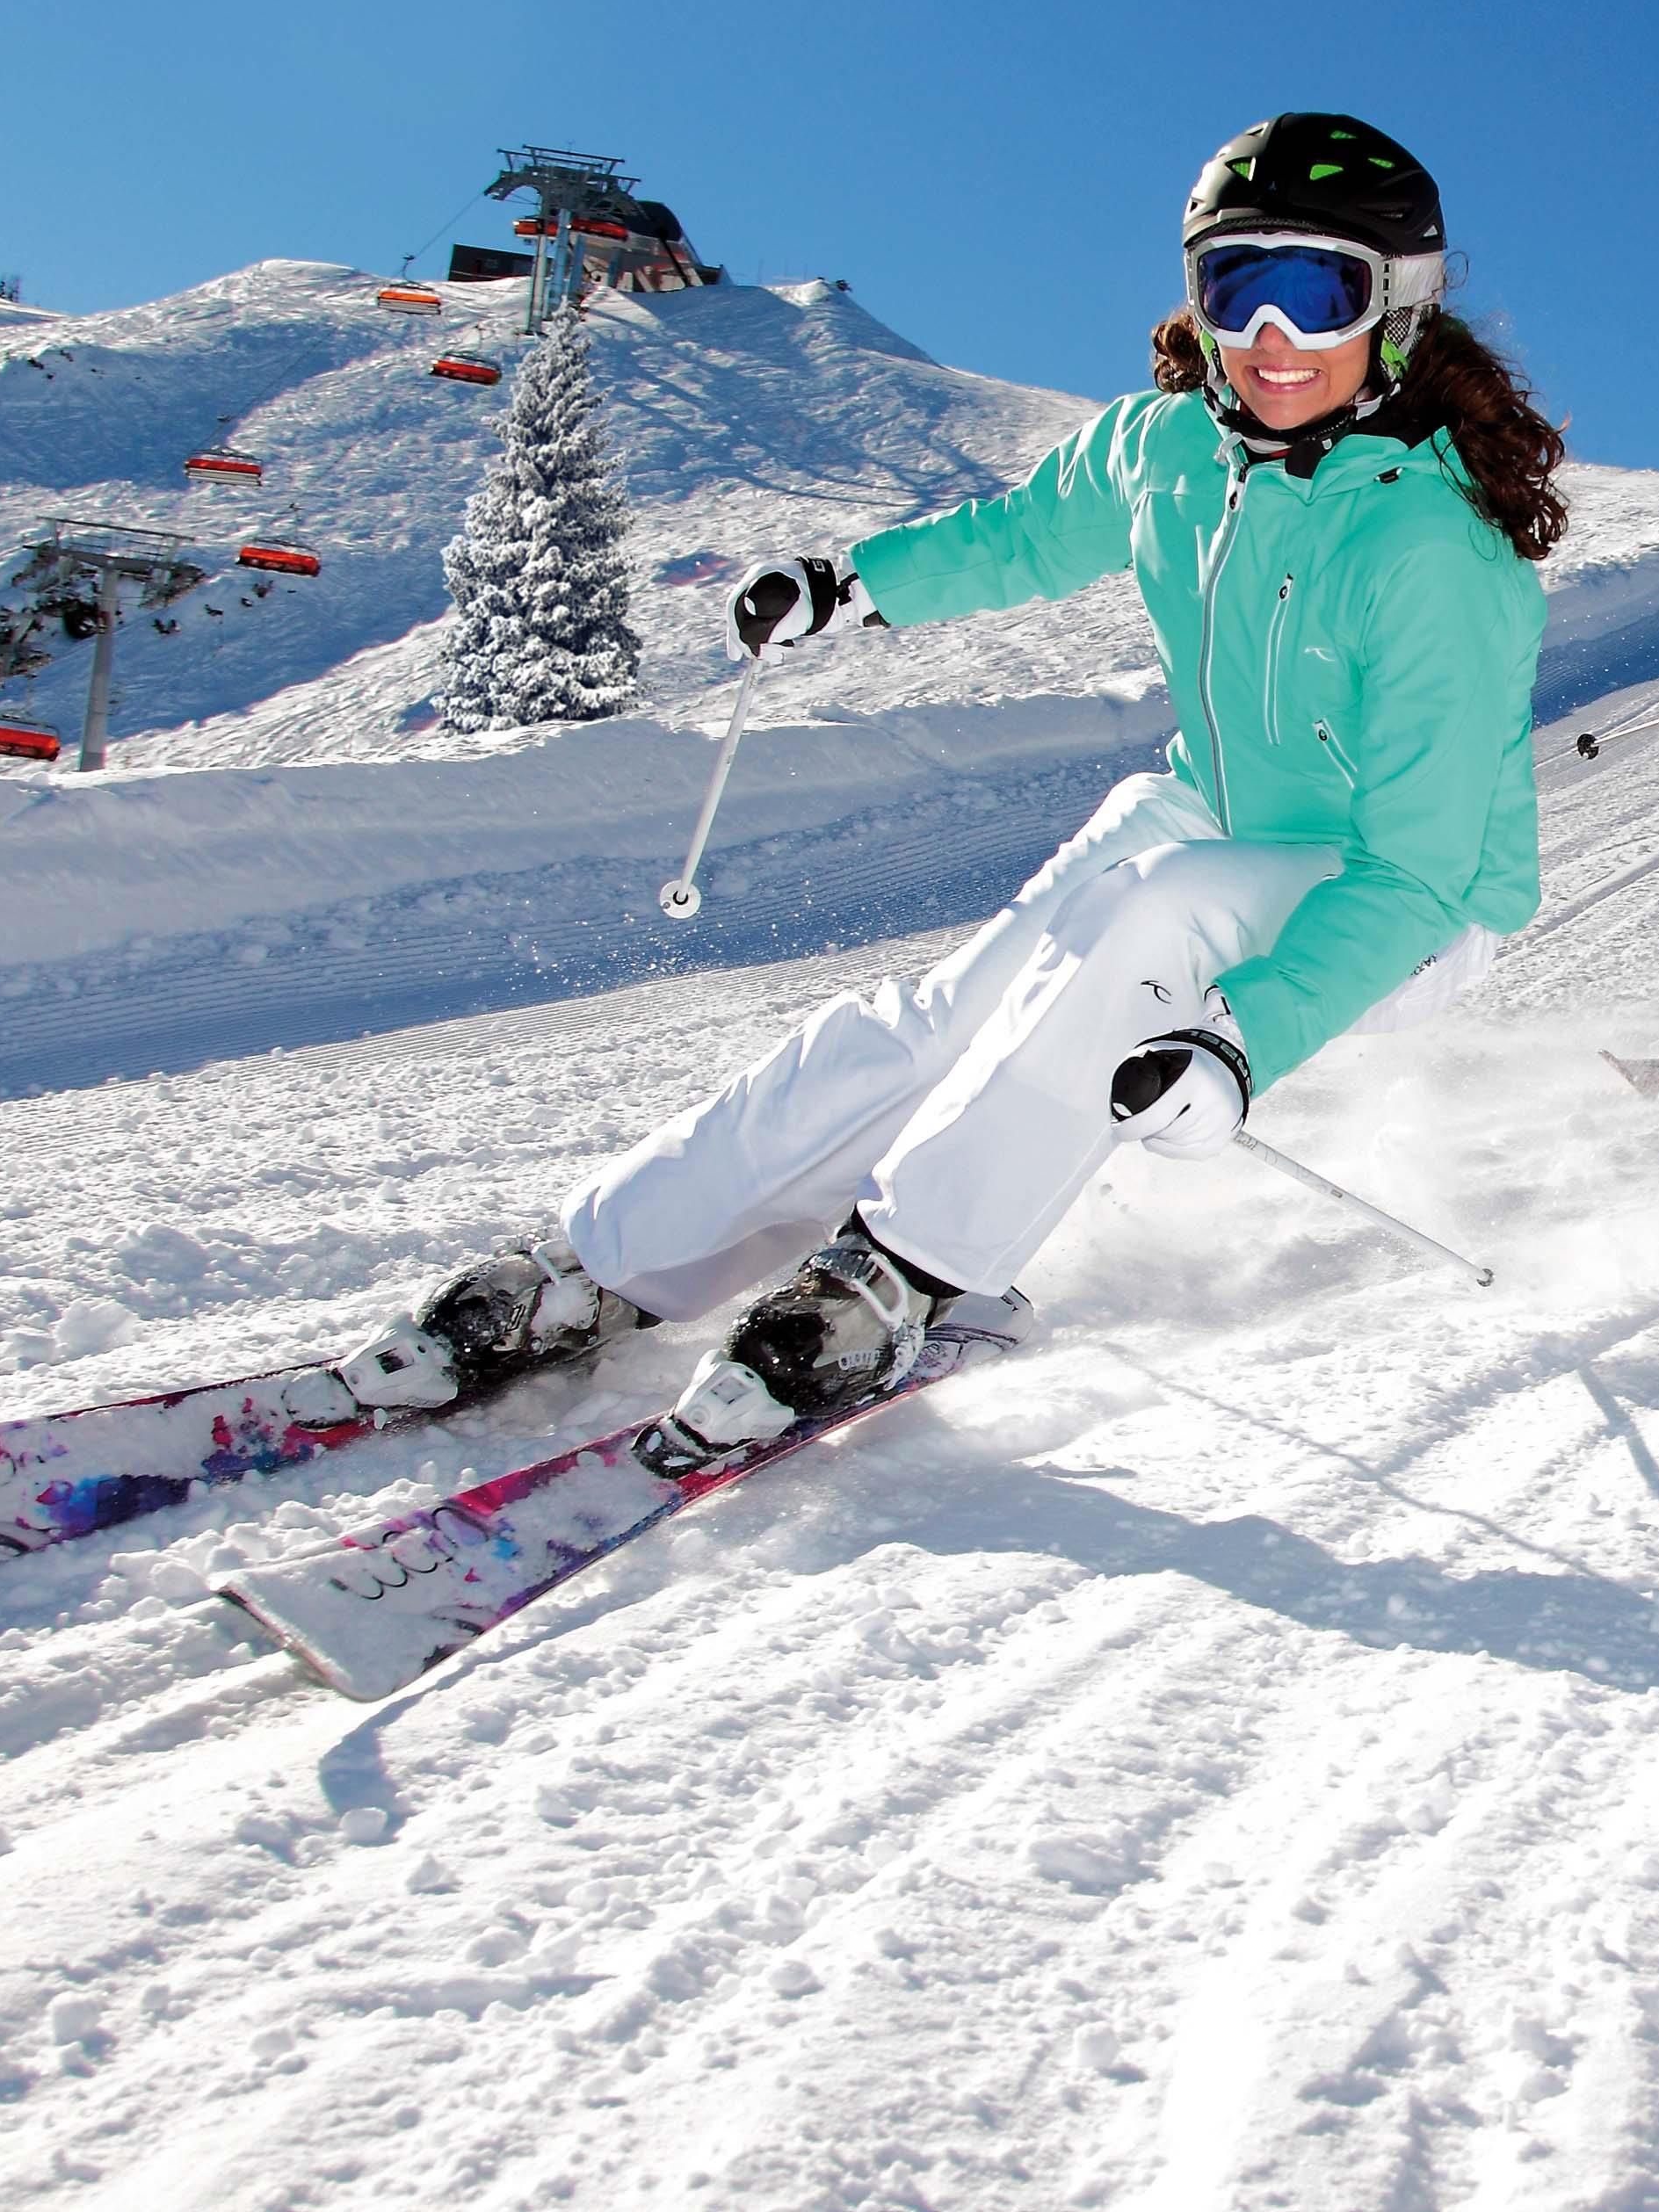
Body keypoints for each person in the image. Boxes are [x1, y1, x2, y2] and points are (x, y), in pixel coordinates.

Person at [331, 114, 1564, 1447]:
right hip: (1214, 810)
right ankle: (608, 1261)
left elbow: (1417, 871)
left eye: (1317, 294)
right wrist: (852, 585)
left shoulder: (1433, 554)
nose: (1272, 338)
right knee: (942, 1017)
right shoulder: (1170, 446)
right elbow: (1026, 534)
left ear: (1396, 309)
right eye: (1236, 287)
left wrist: (1245, 1035)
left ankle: (911, 1275)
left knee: (1149, 916)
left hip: (1405, 893)